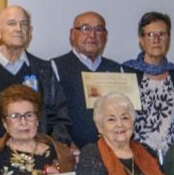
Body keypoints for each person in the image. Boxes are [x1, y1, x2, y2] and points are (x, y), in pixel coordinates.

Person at [0, 5, 71, 160]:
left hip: (38, 160)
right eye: (11, 23)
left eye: (23, 24)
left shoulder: (45, 71)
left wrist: (52, 149)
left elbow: (60, 117)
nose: (18, 29)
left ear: (30, 32)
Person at [52, 10, 126, 148]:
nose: (92, 35)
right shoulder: (55, 67)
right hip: (72, 151)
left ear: (105, 35)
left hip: (112, 151)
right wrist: (66, 145)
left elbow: (125, 114)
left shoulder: (117, 69)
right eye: (85, 29)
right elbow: (52, 115)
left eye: (98, 30)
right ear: (72, 34)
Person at [123, 11, 174, 160]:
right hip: (135, 157)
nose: (156, 40)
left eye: (162, 34)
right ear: (141, 40)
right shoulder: (126, 72)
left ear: (169, 38)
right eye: (150, 35)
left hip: (173, 158)